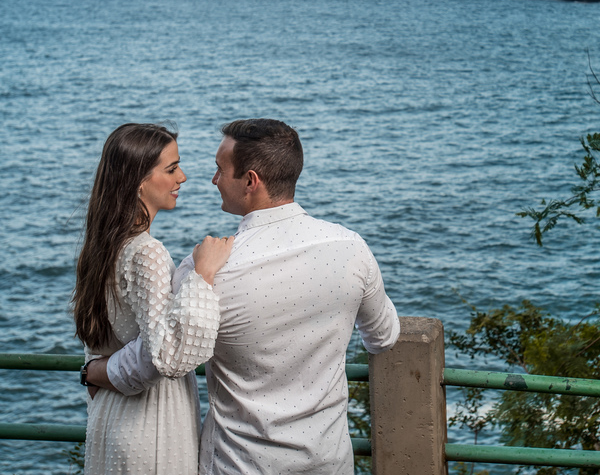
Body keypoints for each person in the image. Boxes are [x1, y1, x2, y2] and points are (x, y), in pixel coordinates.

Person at [84, 118, 400, 475]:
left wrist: (96, 370)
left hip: (238, 465)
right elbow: (383, 336)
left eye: (220, 170)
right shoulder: (352, 248)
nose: (211, 179)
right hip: (328, 461)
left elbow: (161, 352)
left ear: (250, 181)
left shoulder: (207, 270)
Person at [73, 123, 235, 475]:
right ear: (139, 181)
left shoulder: (99, 248)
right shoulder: (147, 252)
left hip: (109, 415)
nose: (184, 177)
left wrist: (95, 375)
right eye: (172, 168)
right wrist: (202, 276)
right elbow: (167, 356)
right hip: (152, 422)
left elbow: (96, 343)